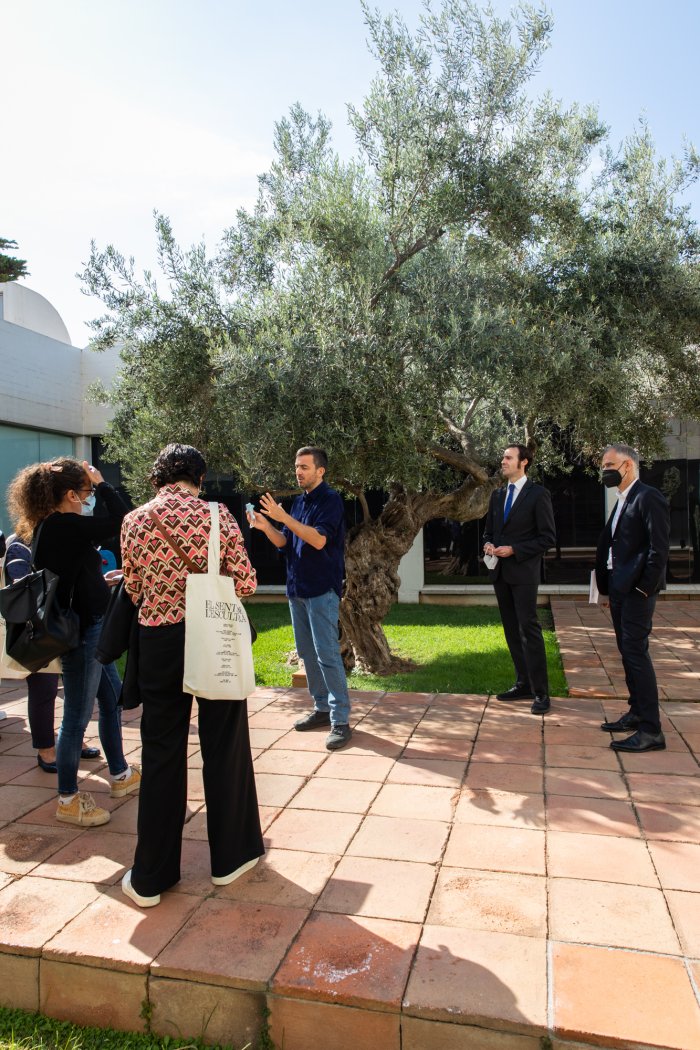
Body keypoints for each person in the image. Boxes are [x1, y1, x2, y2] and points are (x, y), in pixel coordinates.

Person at [120, 443, 263, 908]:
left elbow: (135, 588)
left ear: (158, 477)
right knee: (224, 741)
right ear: (199, 478)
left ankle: (151, 877)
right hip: (212, 636)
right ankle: (231, 859)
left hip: (158, 642)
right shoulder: (219, 516)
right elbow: (245, 583)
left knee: (162, 752)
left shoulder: (134, 520)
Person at [7, 458, 139, 825]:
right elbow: (124, 521)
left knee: (111, 702)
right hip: (83, 633)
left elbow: (74, 573)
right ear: (69, 494)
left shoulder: (56, 526)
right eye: (84, 492)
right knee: (77, 718)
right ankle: (67, 798)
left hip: (90, 626)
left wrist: (103, 579)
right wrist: (103, 484)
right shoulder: (64, 524)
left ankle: (120, 775)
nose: (87, 498)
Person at [248, 446, 352, 750]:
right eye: (296, 466)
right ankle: (321, 709)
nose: (298, 472)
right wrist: (267, 525)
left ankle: (341, 720)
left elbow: (319, 540)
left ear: (321, 470)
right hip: (297, 589)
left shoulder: (330, 501)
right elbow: (285, 542)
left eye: (304, 467)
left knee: (327, 654)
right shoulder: (298, 503)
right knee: (307, 654)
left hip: (321, 589)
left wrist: (283, 517)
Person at [4, 534, 107, 771]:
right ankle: (46, 750)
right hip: (38, 630)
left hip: (65, 623)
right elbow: (22, 584)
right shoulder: (20, 543)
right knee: (44, 689)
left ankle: (72, 741)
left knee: (73, 687)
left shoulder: (58, 535)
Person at [595, 443, 670, 752]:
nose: (604, 471)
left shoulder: (648, 496)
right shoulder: (623, 499)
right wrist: (611, 588)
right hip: (620, 589)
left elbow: (659, 548)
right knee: (627, 652)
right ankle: (637, 712)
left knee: (636, 653)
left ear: (628, 466)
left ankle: (652, 730)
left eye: (609, 465)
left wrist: (644, 588)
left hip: (638, 591)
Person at [483, 444, 556, 715]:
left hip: (524, 573)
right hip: (500, 573)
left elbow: (547, 538)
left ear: (523, 462)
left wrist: (515, 549)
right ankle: (522, 683)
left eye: (508, 457)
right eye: (502, 456)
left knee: (529, 630)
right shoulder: (497, 495)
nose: (502, 461)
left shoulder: (538, 495)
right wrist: (489, 545)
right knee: (512, 630)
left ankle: (541, 693)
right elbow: (488, 532)